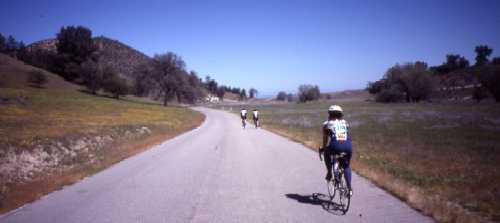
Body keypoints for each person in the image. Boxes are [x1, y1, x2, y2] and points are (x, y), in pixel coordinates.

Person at [322, 105, 353, 196]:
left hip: (335, 146)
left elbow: (325, 139)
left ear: (329, 114)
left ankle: (329, 173)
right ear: (341, 114)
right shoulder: (346, 123)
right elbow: (347, 135)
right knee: (346, 166)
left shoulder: (326, 124)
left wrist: (324, 149)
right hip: (348, 146)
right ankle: (349, 188)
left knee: (327, 152)